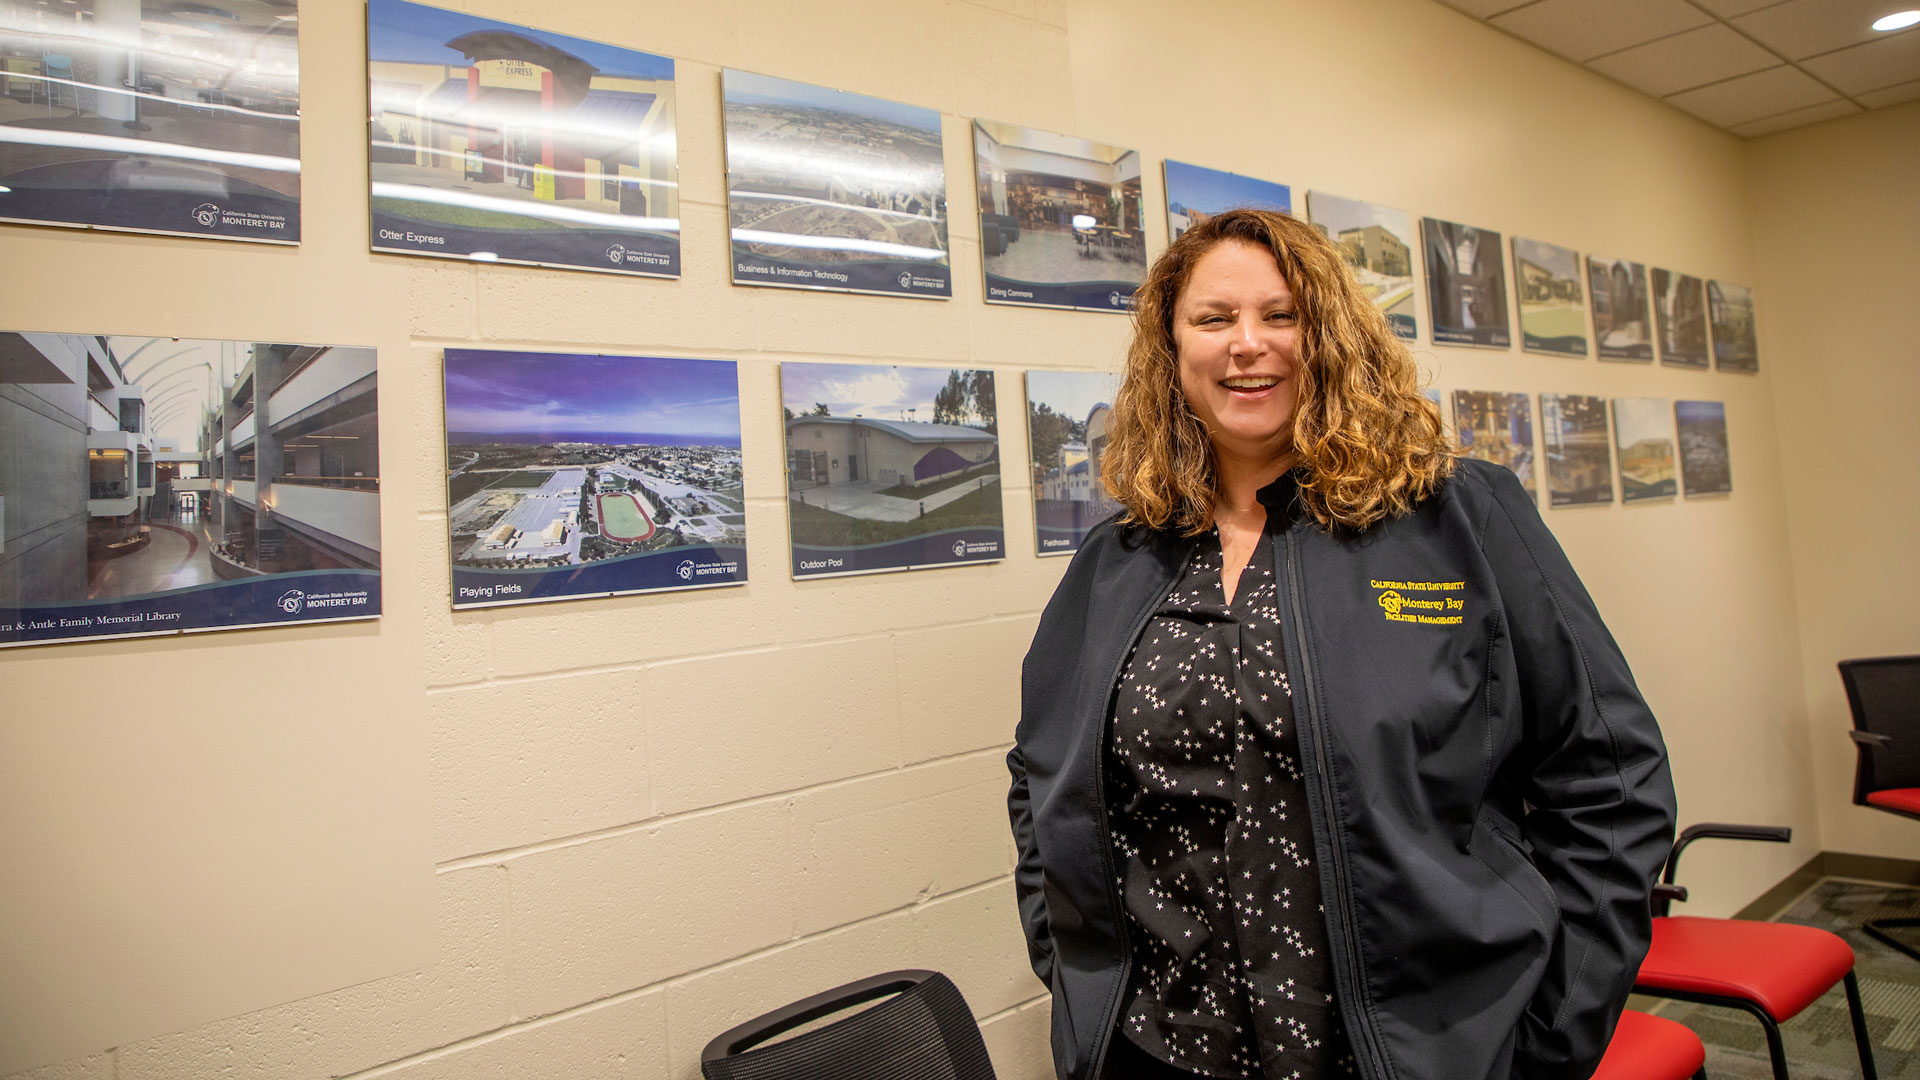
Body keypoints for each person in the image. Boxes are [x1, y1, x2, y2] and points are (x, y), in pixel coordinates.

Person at [1007, 209, 1675, 1080]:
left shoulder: (1459, 517)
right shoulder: (1118, 560)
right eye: (1214, 319)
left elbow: (1612, 780)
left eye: (1281, 315)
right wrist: (1077, 982)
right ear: (1173, 351)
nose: (1248, 344)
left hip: (1412, 1059)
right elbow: (1040, 775)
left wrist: (1550, 1039)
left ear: (1330, 334)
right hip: (1159, 1053)